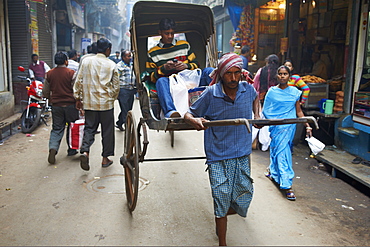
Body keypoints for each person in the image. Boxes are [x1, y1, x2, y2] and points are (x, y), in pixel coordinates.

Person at [184, 53, 260, 246]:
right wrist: (194, 120)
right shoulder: (211, 93)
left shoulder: (248, 89)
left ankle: (223, 212)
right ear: (221, 74)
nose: (233, 79)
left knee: (244, 194)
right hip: (217, 154)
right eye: (229, 74)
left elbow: (256, 99)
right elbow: (190, 112)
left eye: (237, 74)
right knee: (221, 195)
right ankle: (223, 242)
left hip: (242, 152)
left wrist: (257, 115)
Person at [146, 18, 213, 118]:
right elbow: (150, 76)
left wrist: (186, 66)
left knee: (209, 71)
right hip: (170, 84)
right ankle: (171, 112)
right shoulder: (152, 53)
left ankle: (219, 102)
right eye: (166, 33)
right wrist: (164, 68)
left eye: (172, 33)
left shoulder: (184, 45)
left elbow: (196, 64)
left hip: (189, 79)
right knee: (161, 81)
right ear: (160, 32)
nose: (170, 36)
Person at [262, 65, 312, 201]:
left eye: (285, 74)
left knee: (283, 152)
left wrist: (307, 125)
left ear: (289, 76)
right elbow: (266, 110)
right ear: (276, 76)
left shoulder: (295, 92)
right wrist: (264, 121)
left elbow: (299, 111)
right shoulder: (271, 92)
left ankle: (286, 183)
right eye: (280, 74)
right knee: (277, 150)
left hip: (289, 127)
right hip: (276, 126)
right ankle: (283, 181)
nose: (282, 76)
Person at [73, 38, 120, 171]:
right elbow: (116, 86)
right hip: (105, 104)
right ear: (107, 50)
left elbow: (78, 81)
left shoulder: (86, 61)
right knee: (107, 131)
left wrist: (78, 98)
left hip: (90, 103)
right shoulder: (111, 65)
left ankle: (85, 152)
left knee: (89, 128)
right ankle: (105, 159)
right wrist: (112, 98)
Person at [42, 51, 79, 164]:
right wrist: (78, 101)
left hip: (56, 105)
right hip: (70, 104)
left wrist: (50, 99)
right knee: (72, 126)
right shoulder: (71, 73)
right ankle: (72, 149)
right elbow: (75, 90)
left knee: (57, 128)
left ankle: (53, 148)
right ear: (65, 61)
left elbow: (45, 91)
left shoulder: (49, 73)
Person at [115, 50, 136, 131]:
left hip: (131, 90)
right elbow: (116, 80)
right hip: (123, 90)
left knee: (129, 108)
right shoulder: (119, 66)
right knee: (125, 109)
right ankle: (127, 126)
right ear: (123, 57)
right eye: (128, 56)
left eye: (130, 56)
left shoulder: (132, 65)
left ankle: (119, 122)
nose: (130, 58)